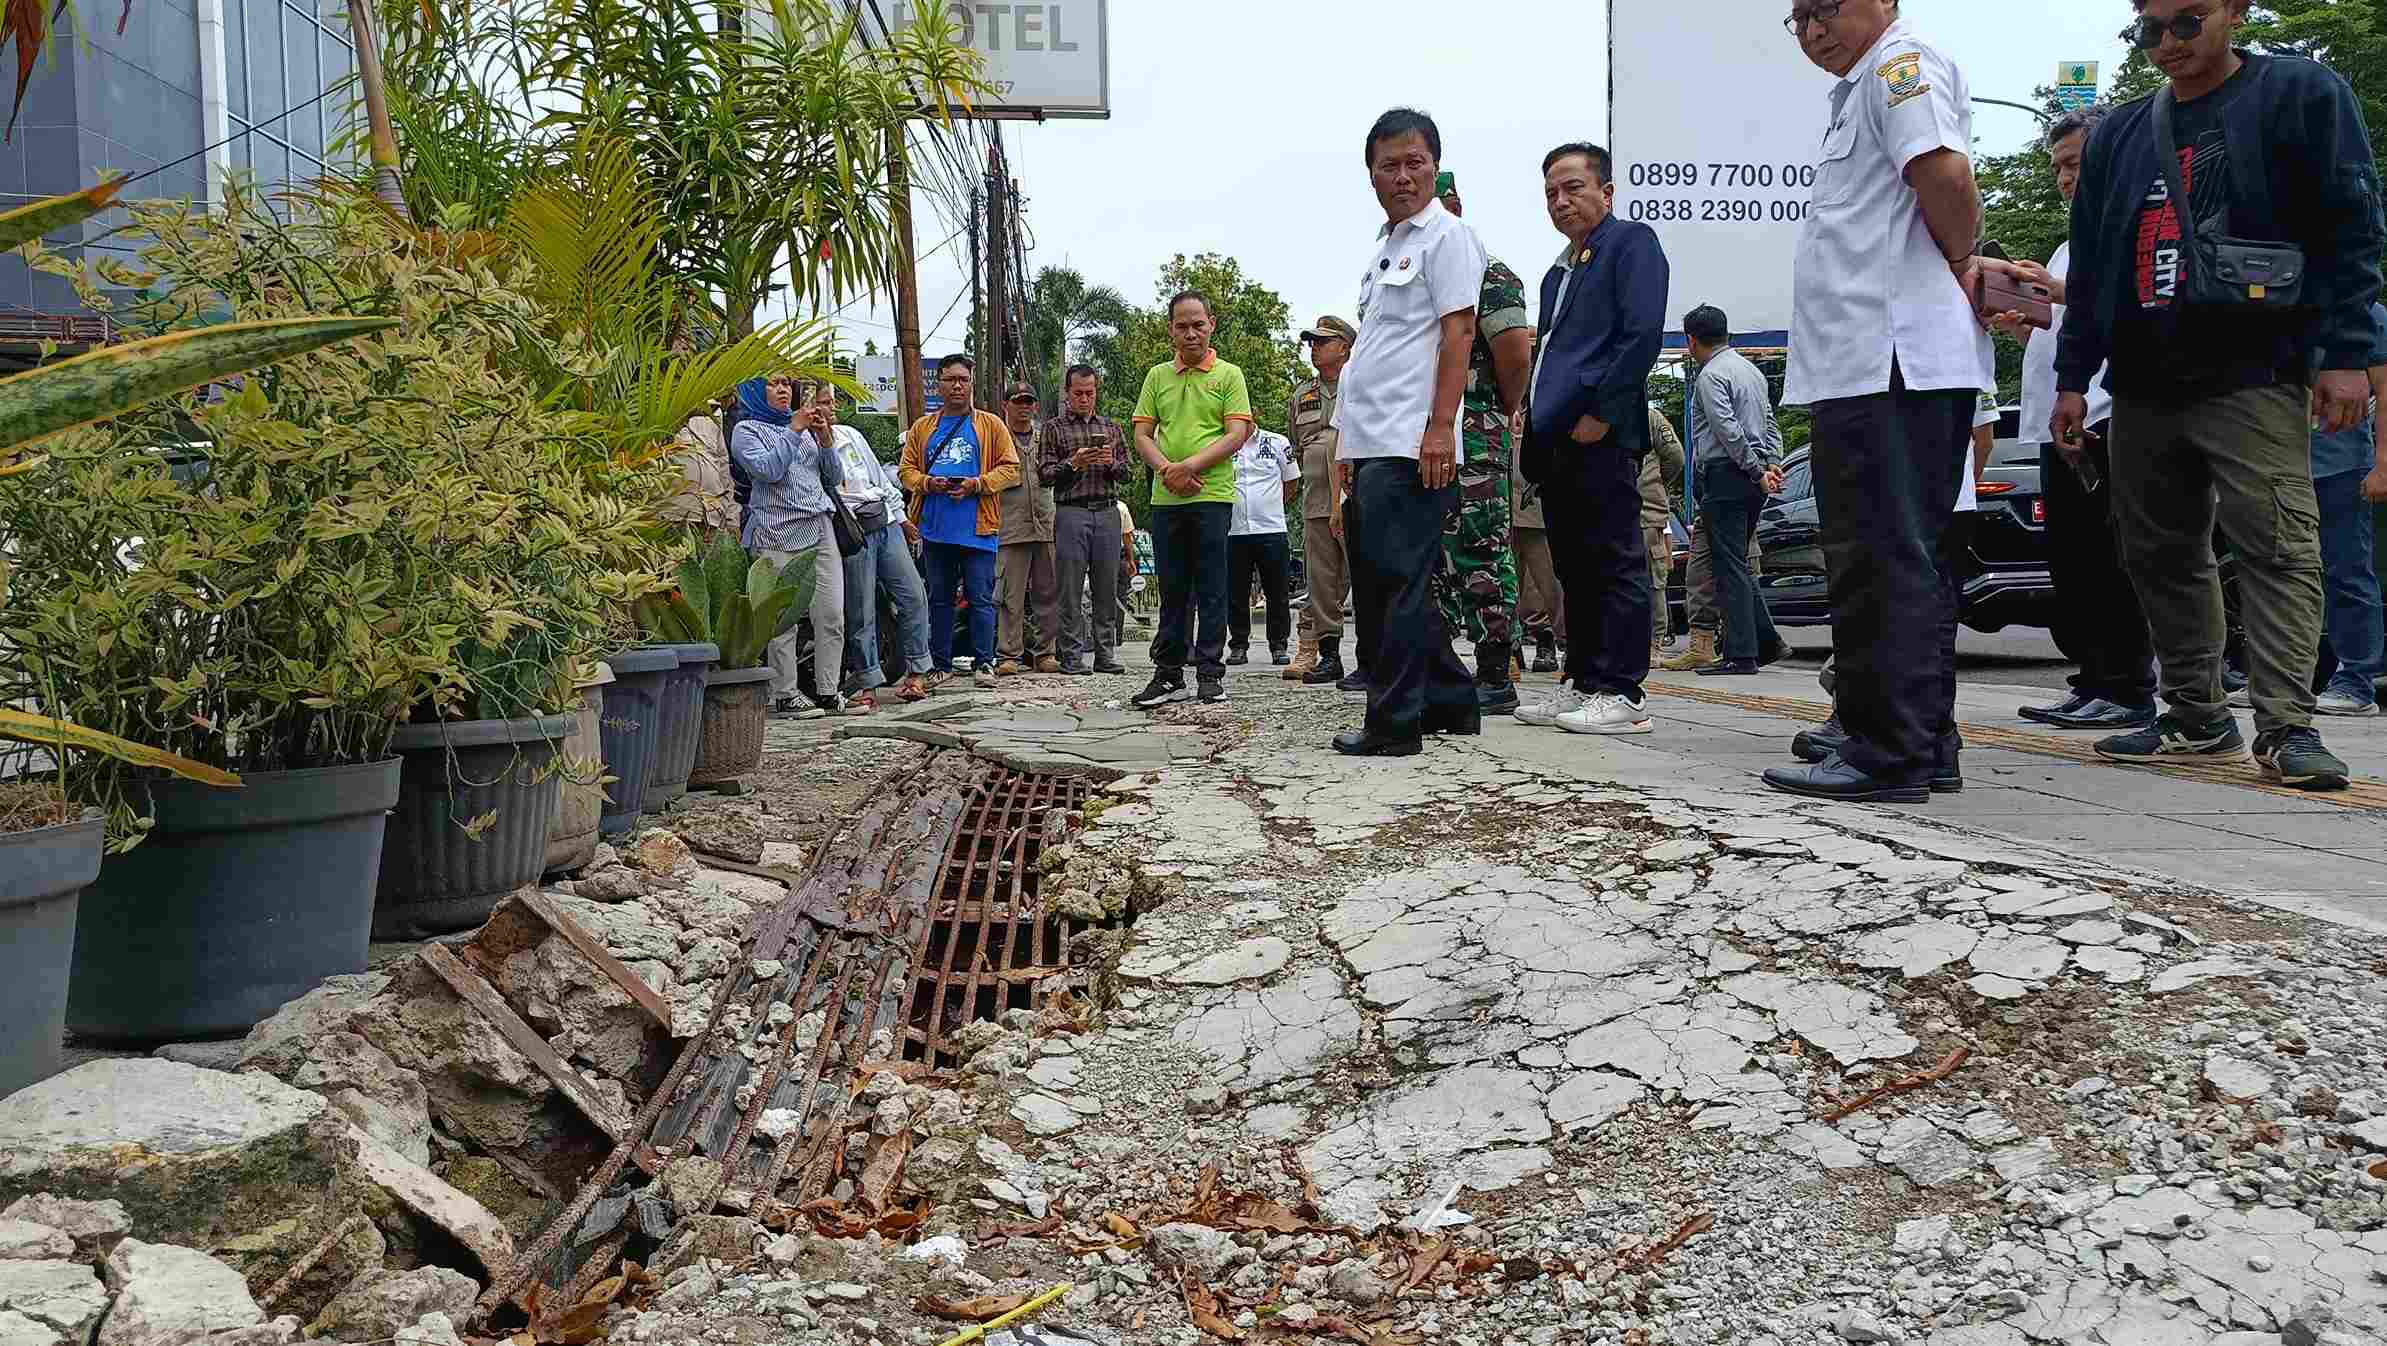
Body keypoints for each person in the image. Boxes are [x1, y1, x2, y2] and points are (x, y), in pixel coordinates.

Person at [2052, 0, 2379, 792]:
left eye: (2186, 22)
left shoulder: (2298, 92)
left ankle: (2287, 727)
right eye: (2147, 29)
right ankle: (2195, 716)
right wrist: (2071, 377)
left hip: (2255, 368)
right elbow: (2090, 261)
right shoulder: (2121, 131)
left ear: (2232, 9)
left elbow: (2352, 225)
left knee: (2277, 546)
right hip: (2141, 379)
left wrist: (2345, 355)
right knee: (2158, 554)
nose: (2165, 44)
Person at [1760, 0, 1994, 803]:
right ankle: (1915, 738)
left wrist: (1961, 261)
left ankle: (1885, 752)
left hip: (1887, 360)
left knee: (1882, 561)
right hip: (1866, 363)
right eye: (1798, 18)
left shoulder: (1900, 66)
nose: (1812, 29)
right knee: (1887, 560)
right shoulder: (1863, 84)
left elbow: (1943, 176)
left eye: (1824, 7)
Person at [1329, 107, 1490, 756]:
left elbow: (1459, 333)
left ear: (1435, 167)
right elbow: (1374, 352)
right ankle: (1451, 700)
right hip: (1370, 441)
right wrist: (1345, 446)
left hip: (1410, 440)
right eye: (1388, 165)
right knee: (1388, 580)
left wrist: (1440, 427)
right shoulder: (1385, 249)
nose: (1402, 176)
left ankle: (1393, 724)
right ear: (1370, 175)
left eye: (1414, 162)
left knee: (1394, 586)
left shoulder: (1447, 236)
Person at [1991, 105, 2150, 731]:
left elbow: (2129, 309)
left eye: (2075, 164)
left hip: (2106, 420)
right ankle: (2093, 679)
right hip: (2054, 428)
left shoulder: (2132, 229)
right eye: (2058, 167)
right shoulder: (2066, 246)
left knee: (2111, 561)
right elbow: (2061, 329)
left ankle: (2129, 687)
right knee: (2073, 563)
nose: (2064, 179)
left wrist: (2060, 295)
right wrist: (2020, 316)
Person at [1512, 140, 1670, 738]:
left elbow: (1641, 334)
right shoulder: (1558, 272)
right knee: (1573, 567)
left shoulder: (1631, 243)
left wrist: (1601, 413)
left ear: (1606, 191)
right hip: (1555, 439)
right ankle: (1583, 679)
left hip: (1598, 433)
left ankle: (1623, 691)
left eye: (1573, 187)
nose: (1561, 201)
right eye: (1550, 192)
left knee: (1613, 560)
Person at [1430, 172, 1535, 713]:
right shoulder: (1415, 276)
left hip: (1474, 433)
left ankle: (1496, 670)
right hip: (1422, 436)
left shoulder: (1489, 274)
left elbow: (1516, 354)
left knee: (1481, 549)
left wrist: (1501, 410)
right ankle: (1445, 667)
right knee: (1435, 557)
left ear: (1455, 207)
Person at [1129, 292, 1255, 708]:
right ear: (1171, 329)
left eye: (1198, 324)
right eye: (1181, 326)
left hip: (1211, 496)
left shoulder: (1230, 375)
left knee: (1212, 585)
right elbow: (1142, 434)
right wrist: (1168, 470)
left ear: (1211, 324)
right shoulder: (1157, 376)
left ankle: (1209, 674)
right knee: (1172, 588)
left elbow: (1236, 434)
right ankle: (1169, 675)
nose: (1191, 333)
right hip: (1166, 499)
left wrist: (1189, 467)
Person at [900, 356, 1023, 691]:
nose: (957, 386)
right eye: (950, 379)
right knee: (939, 599)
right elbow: (905, 471)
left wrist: (977, 484)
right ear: (938, 384)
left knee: (981, 598)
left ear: (971, 384)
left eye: (963, 380)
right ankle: (941, 665)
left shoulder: (991, 424)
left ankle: (984, 663)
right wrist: (928, 483)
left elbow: (1010, 468)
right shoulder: (922, 428)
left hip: (979, 528)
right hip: (935, 528)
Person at [730, 375, 847, 718]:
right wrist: (794, 430)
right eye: (773, 384)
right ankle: (784, 694)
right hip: (775, 530)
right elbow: (769, 470)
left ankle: (828, 690)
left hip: (819, 524)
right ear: (755, 390)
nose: (784, 390)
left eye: (786, 384)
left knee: (831, 614)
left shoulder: (803, 427)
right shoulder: (746, 431)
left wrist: (825, 440)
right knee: (782, 618)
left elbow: (833, 477)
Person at [1682, 304, 1786, 675]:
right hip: (1752, 475)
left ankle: (1741, 655)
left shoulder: (1710, 376)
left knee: (1729, 566)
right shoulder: (1751, 371)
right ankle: (1766, 643)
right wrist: (1771, 462)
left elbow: (1726, 429)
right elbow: (1770, 421)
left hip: (1728, 474)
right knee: (1737, 561)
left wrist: (1756, 469)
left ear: (1691, 340)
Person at [814, 386, 931, 711]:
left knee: (913, 595)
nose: (830, 408)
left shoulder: (851, 434)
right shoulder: (806, 444)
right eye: (822, 403)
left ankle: (917, 673)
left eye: (831, 402)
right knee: (861, 609)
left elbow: (879, 478)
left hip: (883, 520)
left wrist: (901, 519)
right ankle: (867, 682)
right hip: (849, 529)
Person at [2309, 306, 2387, 716]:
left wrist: (2383, 466)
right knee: (2278, 572)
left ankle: (2356, 683)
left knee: (2348, 572)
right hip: (2279, 464)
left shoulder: (2368, 314)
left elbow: (2385, 392)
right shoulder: (2282, 304)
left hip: (2343, 466)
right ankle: (2277, 677)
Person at [1040, 364, 1132, 677]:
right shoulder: (1053, 428)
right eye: (1078, 393)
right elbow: (1045, 474)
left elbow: (1128, 473)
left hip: (1107, 511)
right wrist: (1073, 463)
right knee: (1069, 587)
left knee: (1106, 586)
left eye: (1089, 393)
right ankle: (1071, 657)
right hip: (1071, 511)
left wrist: (1111, 464)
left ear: (1096, 392)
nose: (1084, 398)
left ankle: (1105, 654)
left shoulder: (1111, 428)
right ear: (1067, 393)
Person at [1287, 317, 1357, 684]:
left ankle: (1374, 655)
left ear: (1345, 346)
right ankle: (1329, 655)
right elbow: (1298, 447)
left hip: (1356, 493)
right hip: (1316, 497)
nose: (1314, 348)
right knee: (1321, 580)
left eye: (1322, 342)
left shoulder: (1362, 383)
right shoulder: (1302, 394)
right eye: (1312, 342)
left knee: (1367, 574)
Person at [993, 382, 1060, 676]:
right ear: (1005, 405)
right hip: (1009, 526)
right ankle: (1009, 655)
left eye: (1028, 401)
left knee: (1048, 594)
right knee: (1011, 597)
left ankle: (1046, 653)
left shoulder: (1046, 438)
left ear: (1035, 406)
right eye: (1018, 401)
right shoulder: (997, 438)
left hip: (1045, 524)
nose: (1023, 406)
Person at [1227, 425, 1300, 665]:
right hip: (1234, 530)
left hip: (1272, 529)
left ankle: (1279, 645)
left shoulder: (1277, 442)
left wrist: (1272, 505)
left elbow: (1292, 481)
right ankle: (1238, 645)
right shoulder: (1223, 443)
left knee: (1277, 591)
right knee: (1236, 592)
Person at [1638, 404, 1686, 661]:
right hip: (1638, 509)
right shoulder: (1648, 416)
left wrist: (1655, 483)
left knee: (1652, 581)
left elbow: (1675, 458)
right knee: (1648, 581)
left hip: (1642, 512)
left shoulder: (1649, 417)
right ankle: (1647, 645)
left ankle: (1652, 644)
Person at [1510, 455, 1565, 674]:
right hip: (1498, 501)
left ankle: (1550, 639)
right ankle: (1508, 645)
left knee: (1549, 581)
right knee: (1504, 580)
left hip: (1537, 502)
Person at [664, 401, 738, 537]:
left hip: (711, 517)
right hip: (672, 514)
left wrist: (731, 517)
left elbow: (722, 467)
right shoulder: (659, 407)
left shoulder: (711, 411)